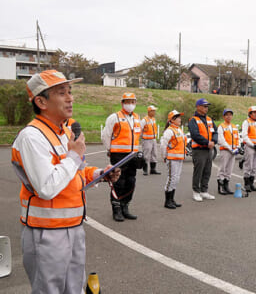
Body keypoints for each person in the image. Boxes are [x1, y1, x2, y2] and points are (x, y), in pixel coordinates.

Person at [13, 70, 120, 293]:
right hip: (46, 232)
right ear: (41, 101)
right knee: (49, 290)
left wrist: (99, 172)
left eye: (70, 92)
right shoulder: (31, 137)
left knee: (75, 288)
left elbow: (74, 172)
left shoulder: (64, 132)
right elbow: (47, 187)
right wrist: (73, 155)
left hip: (73, 226)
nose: (70, 98)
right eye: (62, 93)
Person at [101, 92, 143, 221]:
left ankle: (125, 206)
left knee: (131, 182)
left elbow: (137, 136)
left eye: (132, 101)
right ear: (122, 103)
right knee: (118, 182)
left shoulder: (137, 118)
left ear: (135, 103)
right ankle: (116, 208)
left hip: (132, 155)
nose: (130, 104)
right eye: (127, 101)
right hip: (118, 155)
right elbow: (106, 135)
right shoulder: (115, 117)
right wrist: (109, 149)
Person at [188, 98, 217, 202]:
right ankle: (196, 191)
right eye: (204, 106)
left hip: (209, 149)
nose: (206, 108)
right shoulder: (193, 120)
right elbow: (195, 135)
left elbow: (215, 132)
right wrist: (207, 142)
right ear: (198, 107)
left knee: (207, 171)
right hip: (199, 150)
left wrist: (214, 141)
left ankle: (204, 191)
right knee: (198, 171)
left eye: (207, 106)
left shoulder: (209, 119)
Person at [160, 110, 185, 209]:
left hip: (179, 158)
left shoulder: (179, 129)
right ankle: (167, 201)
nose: (180, 119)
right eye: (177, 117)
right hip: (172, 158)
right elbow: (163, 144)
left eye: (179, 117)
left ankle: (172, 199)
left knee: (176, 179)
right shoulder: (169, 131)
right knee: (171, 178)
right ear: (172, 120)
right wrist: (164, 156)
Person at [242, 106, 256, 192]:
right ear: (250, 113)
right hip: (250, 146)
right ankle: (246, 184)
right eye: (254, 112)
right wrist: (252, 144)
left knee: (255, 166)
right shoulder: (246, 122)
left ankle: (251, 183)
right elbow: (244, 135)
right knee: (248, 165)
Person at [216, 109, 239, 195]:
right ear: (223, 116)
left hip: (233, 151)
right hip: (225, 150)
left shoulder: (234, 126)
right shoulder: (221, 126)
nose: (229, 116)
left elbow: (238, 138)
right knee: (223, 168)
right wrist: (230, 148)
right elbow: (221, 140)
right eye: (227, 115)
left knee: (229, 169)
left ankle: (226, 186)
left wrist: (237, 147)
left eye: (230, 115)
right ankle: (221, 187)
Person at [140, 105, 161, 176]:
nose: (155, 112)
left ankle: (153, 169)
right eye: (153, 111)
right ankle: (145, 170)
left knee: (154, 154)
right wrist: (141, 137)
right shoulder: (144, 120)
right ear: (149, 111)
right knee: (146, 155)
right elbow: (139, 129)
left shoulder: (153, 119)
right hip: (146, 140)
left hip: (153, 139)